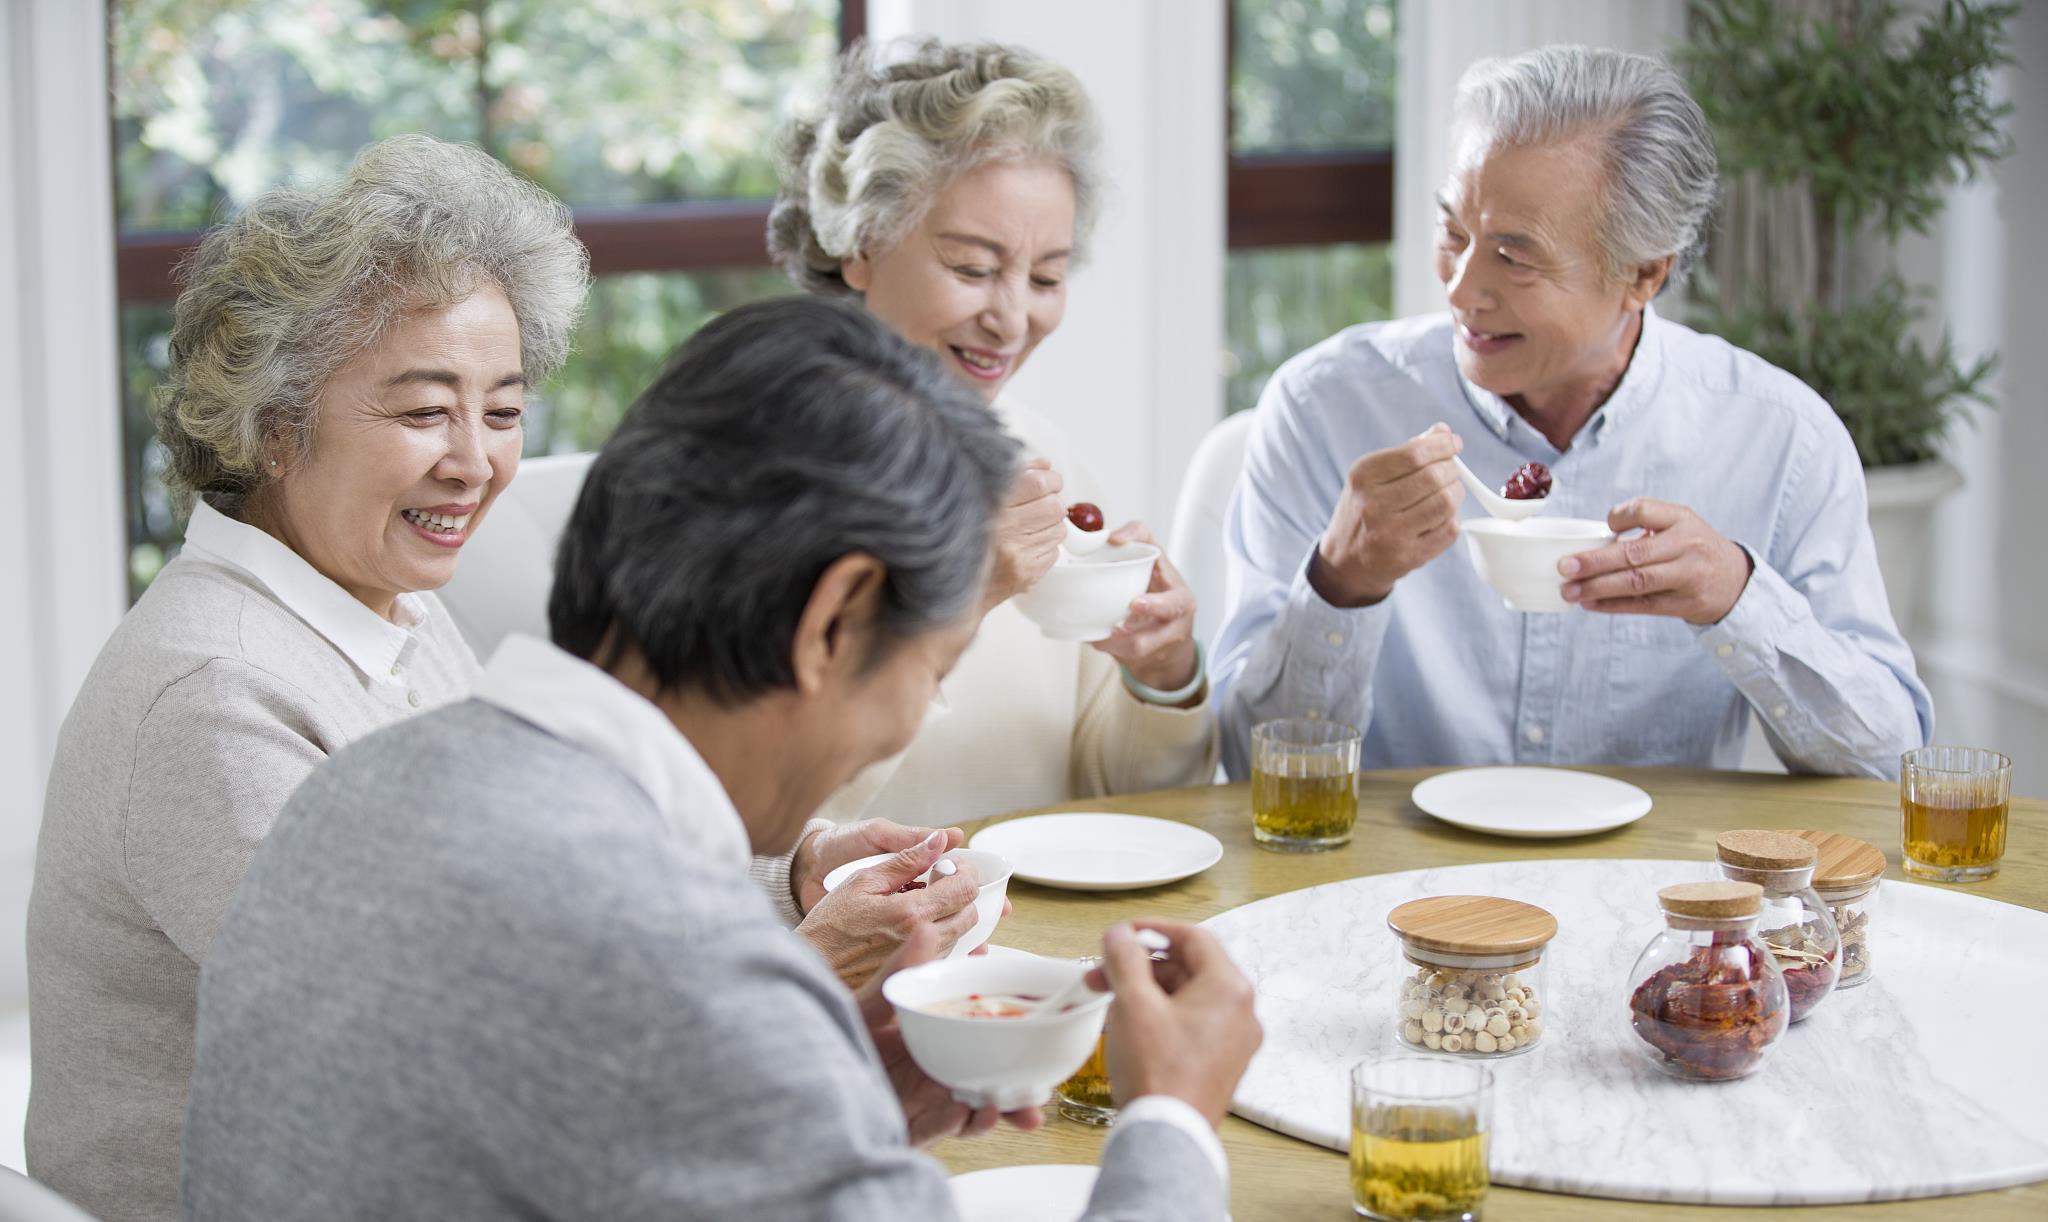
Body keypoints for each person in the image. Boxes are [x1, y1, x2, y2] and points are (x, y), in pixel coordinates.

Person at [27, 135, 964, 1222]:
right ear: (275, 430)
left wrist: (788, 885)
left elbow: (523, 903)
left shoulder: (387, 602)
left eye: (504, 410)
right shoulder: (210, 695)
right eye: (424, 411)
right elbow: (471, 1060)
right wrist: (801, 976)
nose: (474, 462)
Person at [179, 297, 1261, 1221]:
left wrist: (834, 1107)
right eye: (930, 673)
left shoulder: (361, 789)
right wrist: (1170, 1119)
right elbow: (666, 1028)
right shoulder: (687, 968)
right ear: (831, 621)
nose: (906, 720)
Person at [1212, 45, 1931, 780]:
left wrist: (1737, 598)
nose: (1462, 291)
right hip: (1392, 883)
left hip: (1656, 888)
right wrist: (1343, 581)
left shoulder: (1782, 439)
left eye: (1513, 258)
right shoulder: (1323, 408)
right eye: (1454, 234)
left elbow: (1889, 768)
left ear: (1644, 274)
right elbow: (1248, 770)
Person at [770, 39, 1218, 824]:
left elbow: (1132, 806)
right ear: (862, 244)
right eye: (973, 269)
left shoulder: (1039, 452)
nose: (1012, 319)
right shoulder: (762, 471)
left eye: (1046, 277)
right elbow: (761, 818)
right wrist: (960, 601)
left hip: (1048, 930)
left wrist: (1162, 671)